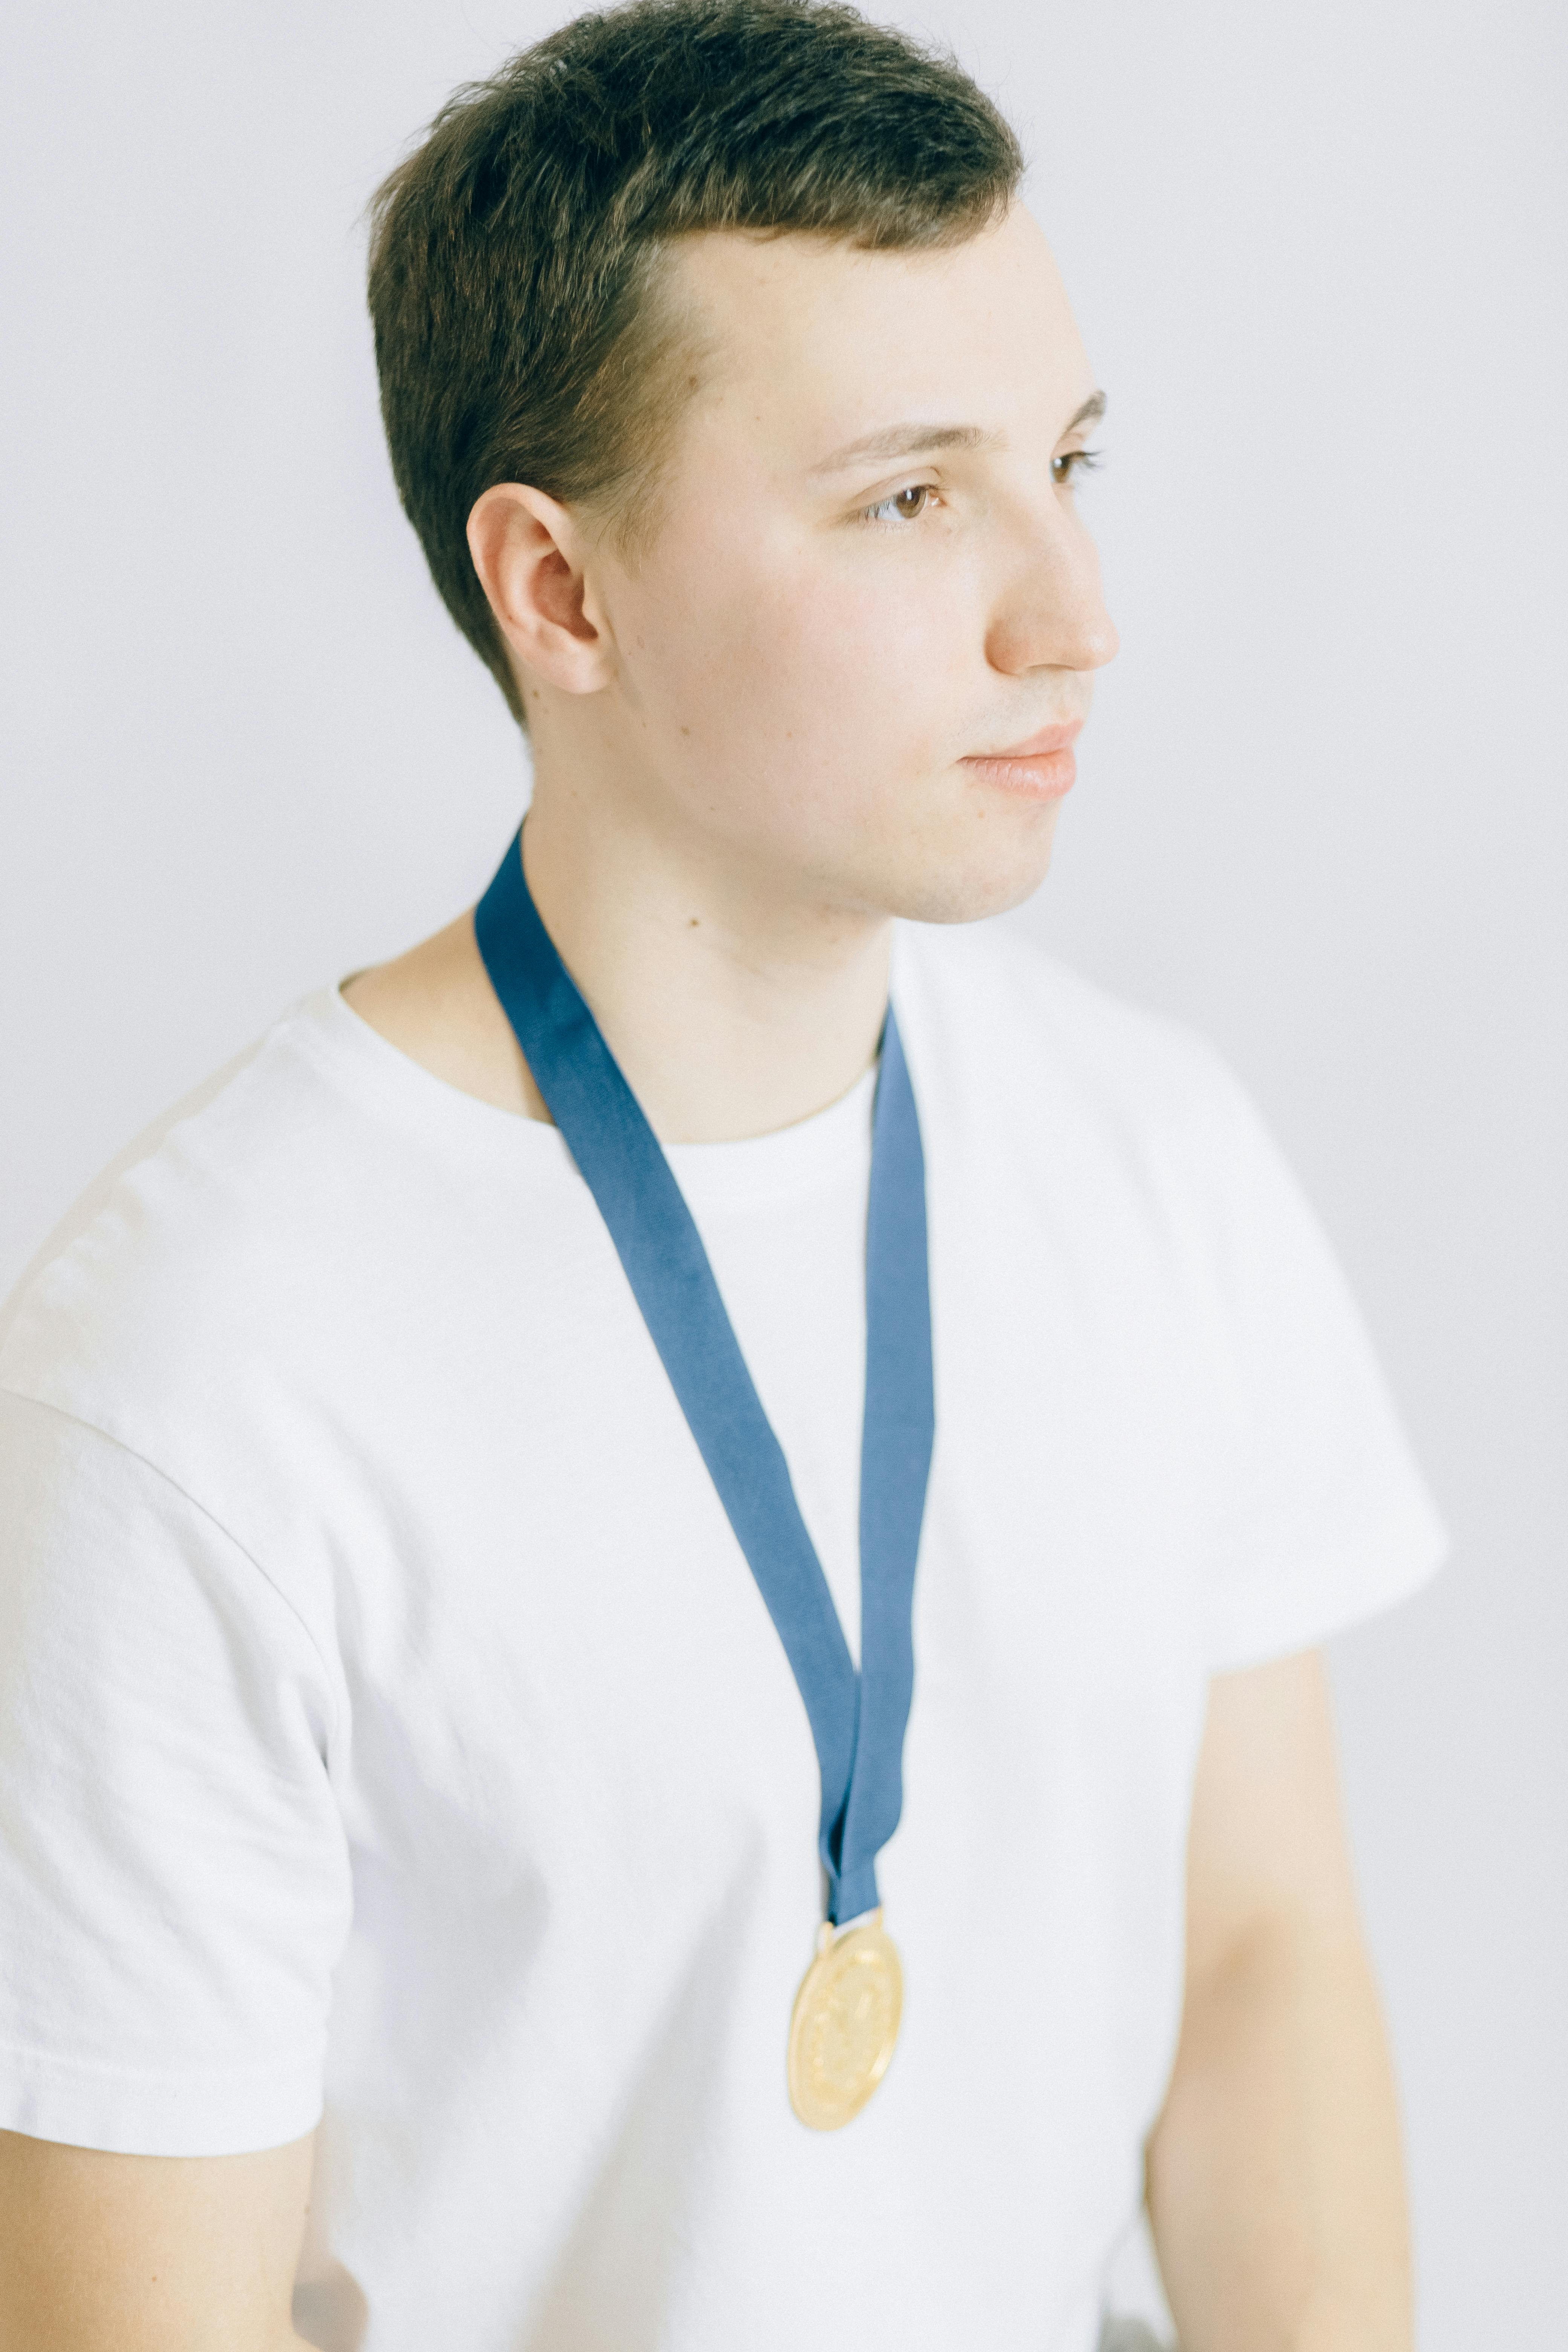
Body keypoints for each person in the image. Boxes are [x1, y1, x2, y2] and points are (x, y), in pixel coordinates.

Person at [0, 3, 1447, 2346]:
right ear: (561, 594)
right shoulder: (196, 1380)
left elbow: (1258, 1953)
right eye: (908, 497)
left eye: (1069, 459)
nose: (1073, 611)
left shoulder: (1153, 1155)